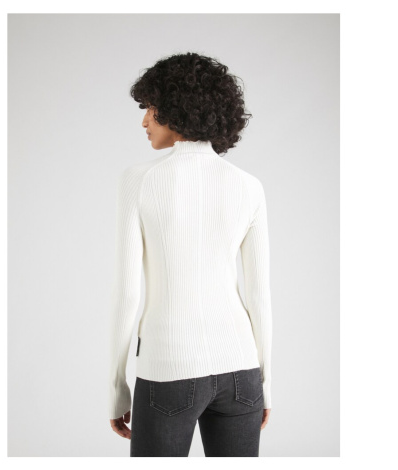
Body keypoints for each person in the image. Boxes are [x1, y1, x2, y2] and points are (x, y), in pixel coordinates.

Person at [108, 52, 273, 457]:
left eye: (150, 108)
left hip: (168, 369)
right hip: (242, 374)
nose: (144, 121)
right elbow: (258, 297)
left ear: (176, 108)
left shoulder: (139, 180)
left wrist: (117, 389)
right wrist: (266, 385)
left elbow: (128, 295)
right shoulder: (249, 186)